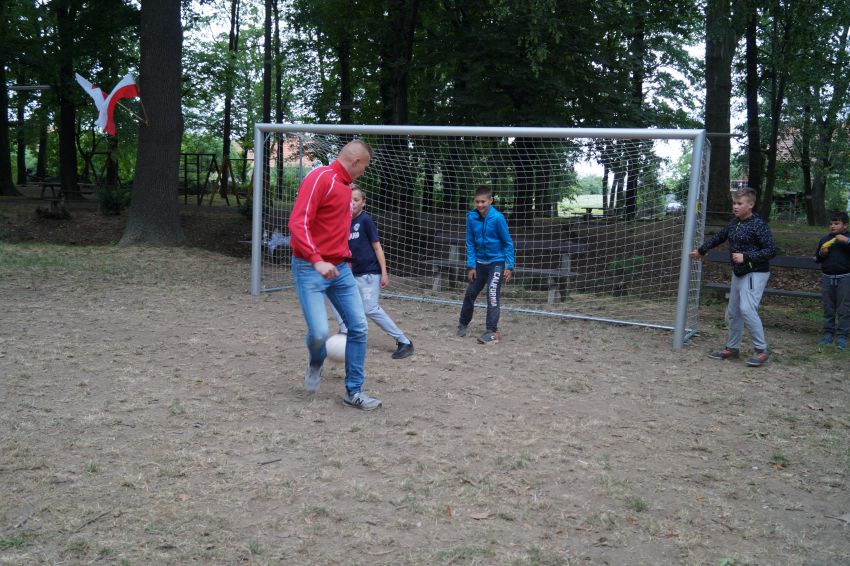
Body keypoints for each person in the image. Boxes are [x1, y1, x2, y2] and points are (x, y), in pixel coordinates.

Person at [287, 139, 382, 410]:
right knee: (319, 333)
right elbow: (298, 222)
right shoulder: (320, 178)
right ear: (356, 161)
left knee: (359, 327)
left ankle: (354, 392)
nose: (364, 172)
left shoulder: (346, 188)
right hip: (310, 268)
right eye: (364, 167)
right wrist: (316, 260)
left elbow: (336, 231)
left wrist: (344, 263)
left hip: (340, 270)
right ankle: (316, 360)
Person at [689, 187, 777, 367]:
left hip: (755, 273)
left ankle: (761, 351)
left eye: (739, 203)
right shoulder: (734, 223)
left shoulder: (758, 224)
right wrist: (701, 251)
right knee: (734, 311)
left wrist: (747, 256)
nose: (735, 207)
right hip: (739, 272)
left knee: (747, 309)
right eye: (734, 203)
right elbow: (719, 237)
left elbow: (771, 250)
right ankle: (732, 348)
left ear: (751, 205)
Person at [328, 185, 414, 359]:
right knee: (332, 295)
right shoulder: (343, 221)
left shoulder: (365, 220)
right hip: (351, 274)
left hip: (369, 274)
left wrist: (384, 272)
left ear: (363, 203)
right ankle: (345, 330)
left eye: (356, 200)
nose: (352, 203)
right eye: (349, 200)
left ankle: (404, 341)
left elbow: (377, 247)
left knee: (370, 309)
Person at [456, 185, 515, 344]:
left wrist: (509, 266)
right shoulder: (471, 217)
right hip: (479, 264)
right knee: (470, 293)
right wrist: (471, 266)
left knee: (492, 293)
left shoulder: (498, 218)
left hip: (496, 262)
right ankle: (463, 324)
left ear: (490, 200)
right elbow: (470, 242)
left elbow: (507, 243)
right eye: (477, 202)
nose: (480, 205)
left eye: (483, 201)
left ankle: (492, 331)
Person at [814, 211, 850, 349]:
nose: (833, 226)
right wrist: (822, 253)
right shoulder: (825, 239)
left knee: (844, 308)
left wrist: (846, 241)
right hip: (827, 277)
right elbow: (817, 259)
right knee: (828, 308)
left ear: (845, 225)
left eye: (836, 223)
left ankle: (842, 336)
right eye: (831, 224)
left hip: (845, 278)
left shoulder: (848, 238)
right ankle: (828, 333)